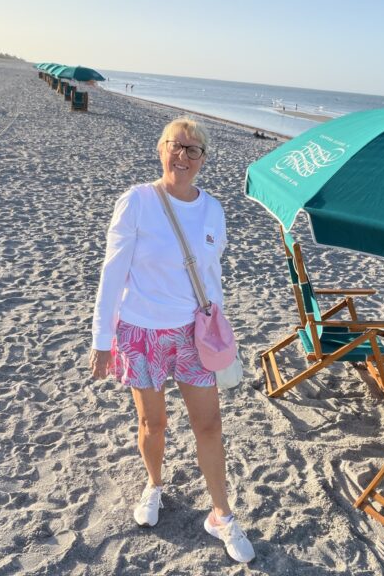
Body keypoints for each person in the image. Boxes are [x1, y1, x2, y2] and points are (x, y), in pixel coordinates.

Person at [89, 117, 255, 564]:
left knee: (209, 426)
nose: (182, 156)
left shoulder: (213, 210)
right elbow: (112, 270)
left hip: (192, 332)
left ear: (203, 159)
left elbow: (212, 274)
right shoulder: (138, 201)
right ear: (160, 150)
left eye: (192, 150)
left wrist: (218, 324)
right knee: (153, 424)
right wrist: (102, 338)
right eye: (175, 146)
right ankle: (154, 485)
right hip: (140, 331)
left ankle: (221, 514)